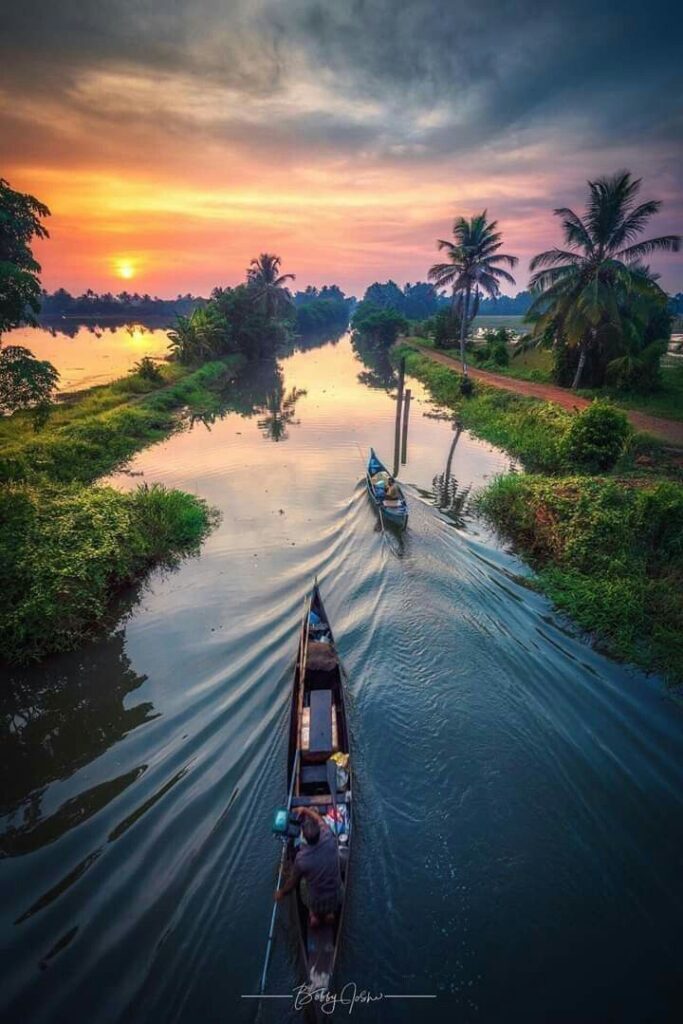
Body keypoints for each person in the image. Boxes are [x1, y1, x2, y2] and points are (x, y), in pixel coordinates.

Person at [274, 806, 343, 927]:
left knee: (302, 881)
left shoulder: (301, 859)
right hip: (336, 896)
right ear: (319, 831)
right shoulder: (329, 837)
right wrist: (305, 810)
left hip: (316, 902)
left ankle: (313, 915)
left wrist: (282, 892)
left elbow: (292, 882)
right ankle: (330, 914)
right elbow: (320, 820)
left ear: (304, 838)